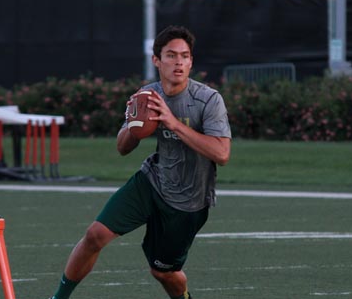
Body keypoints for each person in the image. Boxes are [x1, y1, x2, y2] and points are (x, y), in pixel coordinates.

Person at [47, 25, 232, 299]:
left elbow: (222, 154)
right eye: (171, 55)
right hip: (152, 182)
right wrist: (135, 126)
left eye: (185, 56)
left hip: (189, 201)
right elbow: (122, 148)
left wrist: (172, 123)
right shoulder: (147, 95)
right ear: (156, 60)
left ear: (191, 61)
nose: (179, 62)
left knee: (164, 272)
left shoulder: (208, 100)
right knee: (95, 235)